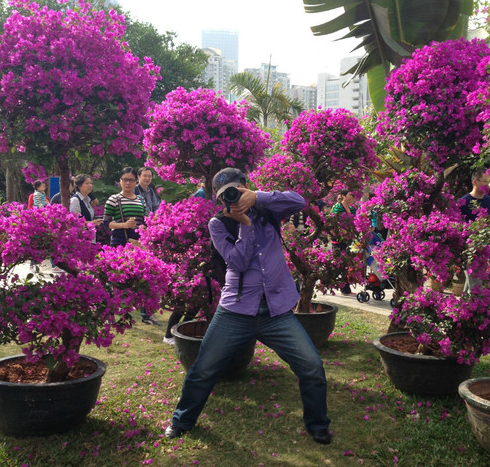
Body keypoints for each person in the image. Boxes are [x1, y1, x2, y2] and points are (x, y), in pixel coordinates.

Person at [165, 167, 331, 445]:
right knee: (204, 367)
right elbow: (237, 263)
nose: (231, 198)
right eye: (224, 196)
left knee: (311, 366)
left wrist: (258, 197)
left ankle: (318, 425)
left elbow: (299, 201)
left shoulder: (269, 209)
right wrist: (245, 225)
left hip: (276, 312)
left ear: (244, 185)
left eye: (235, 190)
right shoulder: (218, 224)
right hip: (235, 311)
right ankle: (181, 421)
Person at [104, 167, 161, 325]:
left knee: (143, 277)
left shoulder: (140, 200)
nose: (128, 183)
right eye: (125, 180)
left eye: (131, 180)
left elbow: (142, 221)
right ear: (120, 181)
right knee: (112, 279)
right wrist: (123, 225)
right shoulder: (114, 199)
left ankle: (146, 314)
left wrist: (144, 233)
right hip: (119, 242)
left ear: (135, 181)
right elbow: (106, 224)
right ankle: (110, 313)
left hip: (137, 243)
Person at [459, 168, 490, 292]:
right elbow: (459, 227)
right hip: (468, 249)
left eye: (488, 182)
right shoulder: (464, 202)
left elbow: (489, 221)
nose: (487, 185)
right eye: (484, 182)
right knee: (475, 284)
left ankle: (464, 307)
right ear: (475, 182)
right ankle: (476, 310)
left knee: (473, 283)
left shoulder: (489, 201)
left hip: (484, 248)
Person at [331, 189, 357, 295]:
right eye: (350, 195)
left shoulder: (352, 209)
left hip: (348, 239)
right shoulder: (338, 207)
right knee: (339, 264)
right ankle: (339, 287)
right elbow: (335, 222)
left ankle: (345, 288)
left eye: (353, 196)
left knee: (347, 264)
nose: (352, 198)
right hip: (338, 240)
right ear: (343, 196)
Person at [70, 174, 103, 240]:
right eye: (87, 183)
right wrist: (91, 223)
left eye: (91, 183)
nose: (90, 185)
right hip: (80, 238)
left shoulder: (88, 200)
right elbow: (74, 221)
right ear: (79, 186)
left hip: (90, 237)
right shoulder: (75, 200)